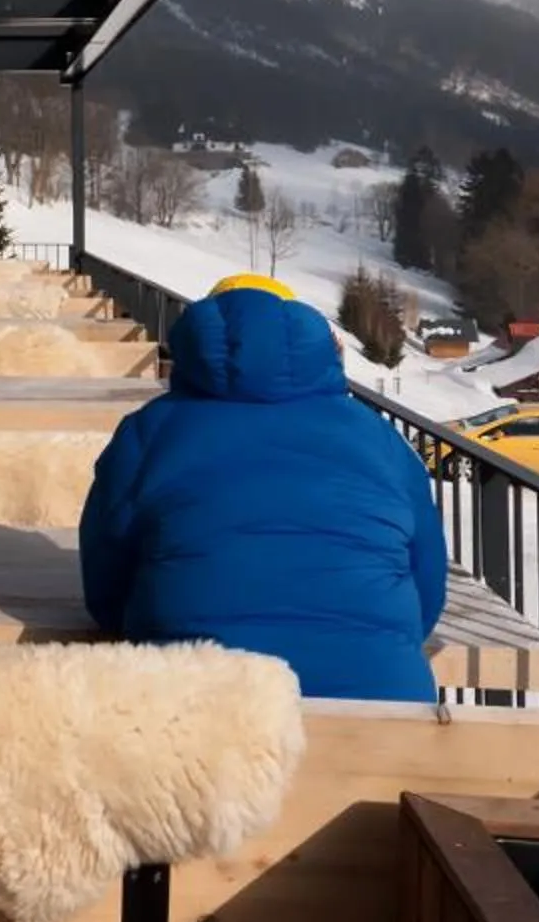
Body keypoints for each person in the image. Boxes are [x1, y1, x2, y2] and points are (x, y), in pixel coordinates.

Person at [79, 274, 449, 701]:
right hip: (384, 707)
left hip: (193, 708)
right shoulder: (381, 440)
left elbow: (105, 588)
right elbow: (427, 590)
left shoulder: (147, 433)